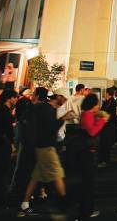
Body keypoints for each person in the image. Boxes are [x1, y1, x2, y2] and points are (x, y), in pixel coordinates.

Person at [19, 87, 73, 217]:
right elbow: (50, 128)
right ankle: (63, 203)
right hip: (46, 146)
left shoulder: (43, 108)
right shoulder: (47, 109)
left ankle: (25, 204)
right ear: (58, 96)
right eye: (64, 99)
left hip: (40, 145)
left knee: (36, 177)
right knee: (58, 173)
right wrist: (64, 118)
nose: (65, 102)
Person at [76, 93, 109, 220]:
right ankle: (85, 211)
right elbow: (92, 131)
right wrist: (102, 121)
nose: (99, 106)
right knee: (87, 185)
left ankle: (86, 209)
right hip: (87, 153)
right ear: (93, 104)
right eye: (97, 103)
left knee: (87, 183)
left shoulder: (86, 114)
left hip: (86, 152)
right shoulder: (88, 114)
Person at [98, 87, 117, 167]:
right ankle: (103, 160)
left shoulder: (112, 102)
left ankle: (105, 161)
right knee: (103, 144)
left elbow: (110, 114)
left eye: (105, 93)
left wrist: (103, 116)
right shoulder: (107, 101)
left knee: (106, 144)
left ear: (108, 94)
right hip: (105, 125)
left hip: (109, 125)